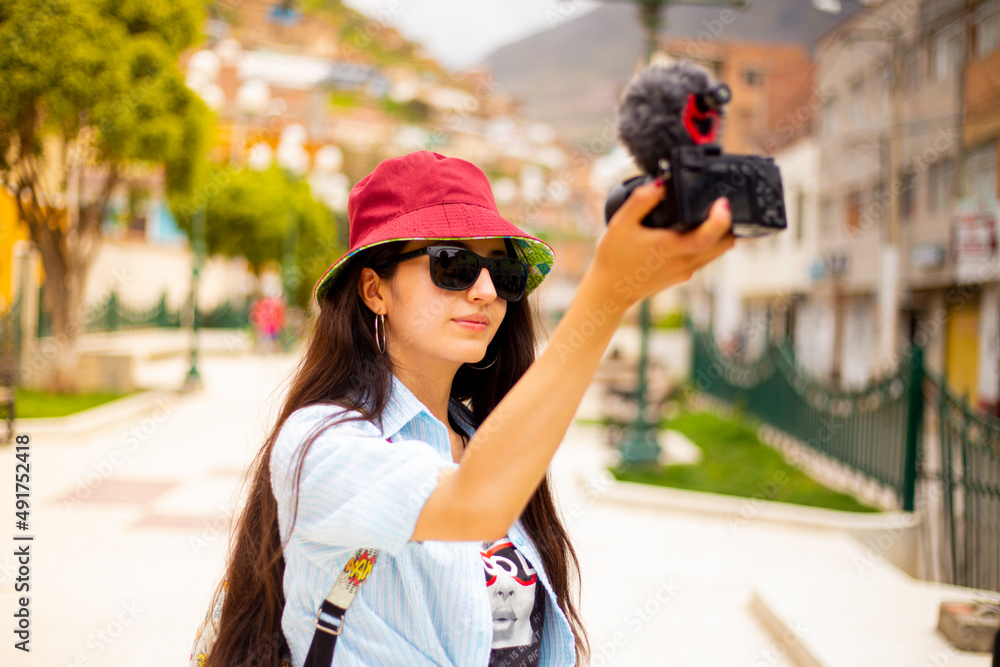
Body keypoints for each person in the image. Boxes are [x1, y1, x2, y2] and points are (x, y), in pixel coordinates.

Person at [205, 150, 734, 666]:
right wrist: (610, 293)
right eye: (452, 263)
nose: (485, 291)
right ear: (374, 290)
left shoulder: (487, 439)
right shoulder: (322, 442)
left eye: (502, 274)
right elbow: (476, 503)